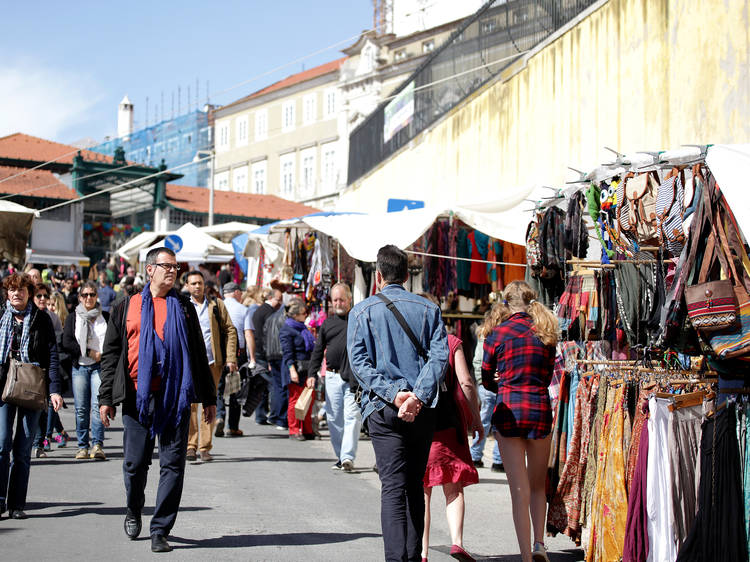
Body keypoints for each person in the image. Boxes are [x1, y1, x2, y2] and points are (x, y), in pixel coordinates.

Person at [98, 247, 216, 553]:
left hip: (174, 397)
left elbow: (198, 355)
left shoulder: (184, 308)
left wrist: (208, 397)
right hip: (138, 396)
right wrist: (106, 397)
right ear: (150, 269)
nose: (173, 272)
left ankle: (160, 529)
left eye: (176, 268)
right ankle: (134, 508)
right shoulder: (126, 306)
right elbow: (112, 355)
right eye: (167, 266)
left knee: (173, 465)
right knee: (135, 464)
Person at [347, 244, 449, 562]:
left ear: (378, 276)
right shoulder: (429, 309)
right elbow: (440, 356)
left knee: (392, 485)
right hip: (421, 409)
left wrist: (394, 394)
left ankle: (396, 558)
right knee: (414, 484)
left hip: (382, 409)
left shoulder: (361, 311)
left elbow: (359, 363)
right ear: (407, 275)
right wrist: (417, 395)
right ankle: (412, 555)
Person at [481, 281, 558, 562]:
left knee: (519, 488)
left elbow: (486, 376)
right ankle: (540, 543)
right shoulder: (546, 332)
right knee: (539, 485)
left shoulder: (497, 334)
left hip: (509, 409)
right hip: (538, 409)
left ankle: (526, 556)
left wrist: (500, 383)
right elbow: (548, 376)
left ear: (506, 302)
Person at [0, 273, 63, 519]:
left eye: (22, 290)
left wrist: (55, 389)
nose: (17, 294)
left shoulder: (41, 318)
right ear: (7, 293)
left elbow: (53, 355)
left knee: (23, 449)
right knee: (2, 444)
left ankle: (16, 504)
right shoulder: (1, 316)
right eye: (12, 290)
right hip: (3, 387)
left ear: (29, 293)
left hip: (32, 387)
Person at [420, 318, 483, 562]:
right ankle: (457, 542)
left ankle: (423, 553)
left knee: (423, 490)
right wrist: (475, 418)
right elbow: (466, 382)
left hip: (422, 422)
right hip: (449, 423)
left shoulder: (414, 341)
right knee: (453, 486)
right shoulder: (451, 342)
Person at [184, 270, 237, 461]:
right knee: (189, 405)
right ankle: (191, 445)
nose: (197, 286)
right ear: (187, 286)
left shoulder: (216, 305)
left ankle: (205, 447)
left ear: (204, 285)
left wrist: (230, 357)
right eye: (193, 283)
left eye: (200, 283)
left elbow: (230, 329)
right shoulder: (183, 306)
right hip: (189, 364)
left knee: (210, 403)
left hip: (213, 362)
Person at [308, 282, 362, 470]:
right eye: (335, 300)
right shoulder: (327, 324)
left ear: (349, 300)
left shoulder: (358, 320)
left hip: (353, 380)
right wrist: (311, 373)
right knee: (333, 419)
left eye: (341, 299)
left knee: (352, 417)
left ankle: (347, 457)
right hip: (332, 377)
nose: (338, 303)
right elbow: (317, 350)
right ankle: (341, 456)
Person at [62, 281, 109, 460]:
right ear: (80, 297)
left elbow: (113, 341)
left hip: (99, 366)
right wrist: (89, 352)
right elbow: (67, 342)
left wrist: (102, 355)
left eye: (92, 294)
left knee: (98, 407)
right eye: (85, 295)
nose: (88, 298)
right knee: (81, 408)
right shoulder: (73, 317)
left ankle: (97, 445)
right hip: (80, 367)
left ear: (97, 296)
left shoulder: (105, 316)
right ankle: (82, 446)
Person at [31, 283, 69, 457]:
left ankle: (42, 440)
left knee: (46, 407)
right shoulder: (23, 317)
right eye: (39, 296)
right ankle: (55, 434)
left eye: (45, 297)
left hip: (47, 370)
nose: (43, 299)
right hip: (28, 371)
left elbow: (56, 347)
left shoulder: (50, 318)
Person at [279, 298, 316, 440]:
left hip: (306, 367)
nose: (306, 315)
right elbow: (287, 352)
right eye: (303, 313)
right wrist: (292, 370)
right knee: (295, 399)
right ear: (295, 315)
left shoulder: (302, 327)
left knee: (308, 398)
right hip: (295, 368)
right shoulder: (287, 330)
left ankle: (307, 429)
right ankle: (294, 430)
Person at [470, 316, 503, 472]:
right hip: (497, 384)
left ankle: (475, 456)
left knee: (484, 420)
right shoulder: (503, 335)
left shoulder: (484, 335)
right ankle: (497, 460)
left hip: (486, 384)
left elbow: (477, 361)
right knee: (498, 422)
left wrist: (481, 380)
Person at [215, 282, 248, 438]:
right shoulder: (243, 309)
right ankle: (232, 427)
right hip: (238, 352)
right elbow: (248, 333)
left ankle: (219, 416)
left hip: (219, 351)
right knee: (235, 388)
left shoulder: (215, 306)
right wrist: (252, 357)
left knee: (219, 387)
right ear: (236, 292)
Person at [253, 288, 286, 430]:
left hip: (261, 351)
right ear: (271, 298)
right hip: (266, 353)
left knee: (262, 384)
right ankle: (275, 414)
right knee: (274, 384)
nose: (280, 303)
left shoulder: (260, 311)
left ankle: (261, 415)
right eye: (278, 300)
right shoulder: (269, 313)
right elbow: (268, 336)